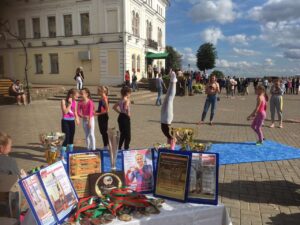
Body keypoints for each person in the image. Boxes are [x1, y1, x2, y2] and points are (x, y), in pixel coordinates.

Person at [60, 89, 80, 161]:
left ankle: (71, 155)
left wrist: (77, 118)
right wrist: (70, 104)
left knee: (71, 138)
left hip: (72, 121)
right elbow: (65, 112)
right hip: (65, 121)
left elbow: (75, 111)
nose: (77, 98)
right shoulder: (63, 101)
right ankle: (62, 156)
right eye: (76, 96)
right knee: (66, 139)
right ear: (71, 95)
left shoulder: (76, 102)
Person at [161, 69, 177, 150]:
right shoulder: (171, 136)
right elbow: (173, 138)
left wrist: (168, 146)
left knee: (167, 97)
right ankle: (174, 81)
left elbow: (170, 140)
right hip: (167, 119)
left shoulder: (169, 137)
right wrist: (172, 148)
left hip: (164, 119)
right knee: (170, 99)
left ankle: (172, 80)